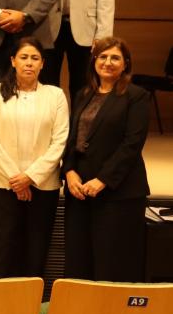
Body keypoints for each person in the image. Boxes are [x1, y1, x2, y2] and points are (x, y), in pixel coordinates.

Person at [62, 37, 150, 282]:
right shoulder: (84, 94)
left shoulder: (136, 96)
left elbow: (132, 144)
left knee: (112, 263)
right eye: (103, 56)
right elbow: (72, 138)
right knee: (79, 261)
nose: (108, 62)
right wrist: (69, 171)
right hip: (80, 191)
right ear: (94, 61)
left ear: (125, 64)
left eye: (115, 58)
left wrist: (102, 180)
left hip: (117, 192)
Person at [0, 37, 68, 278]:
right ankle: (0, 299)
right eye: (24, 57)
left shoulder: (55, 95)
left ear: (42, 64)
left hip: (43, 185)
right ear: (13, 61)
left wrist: (30, 177)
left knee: (36, 250)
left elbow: (59, 141)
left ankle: (32, 300)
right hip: (3, 183)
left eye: (35, 58)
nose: (29, 63)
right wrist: (16, 179)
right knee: (3, 249)